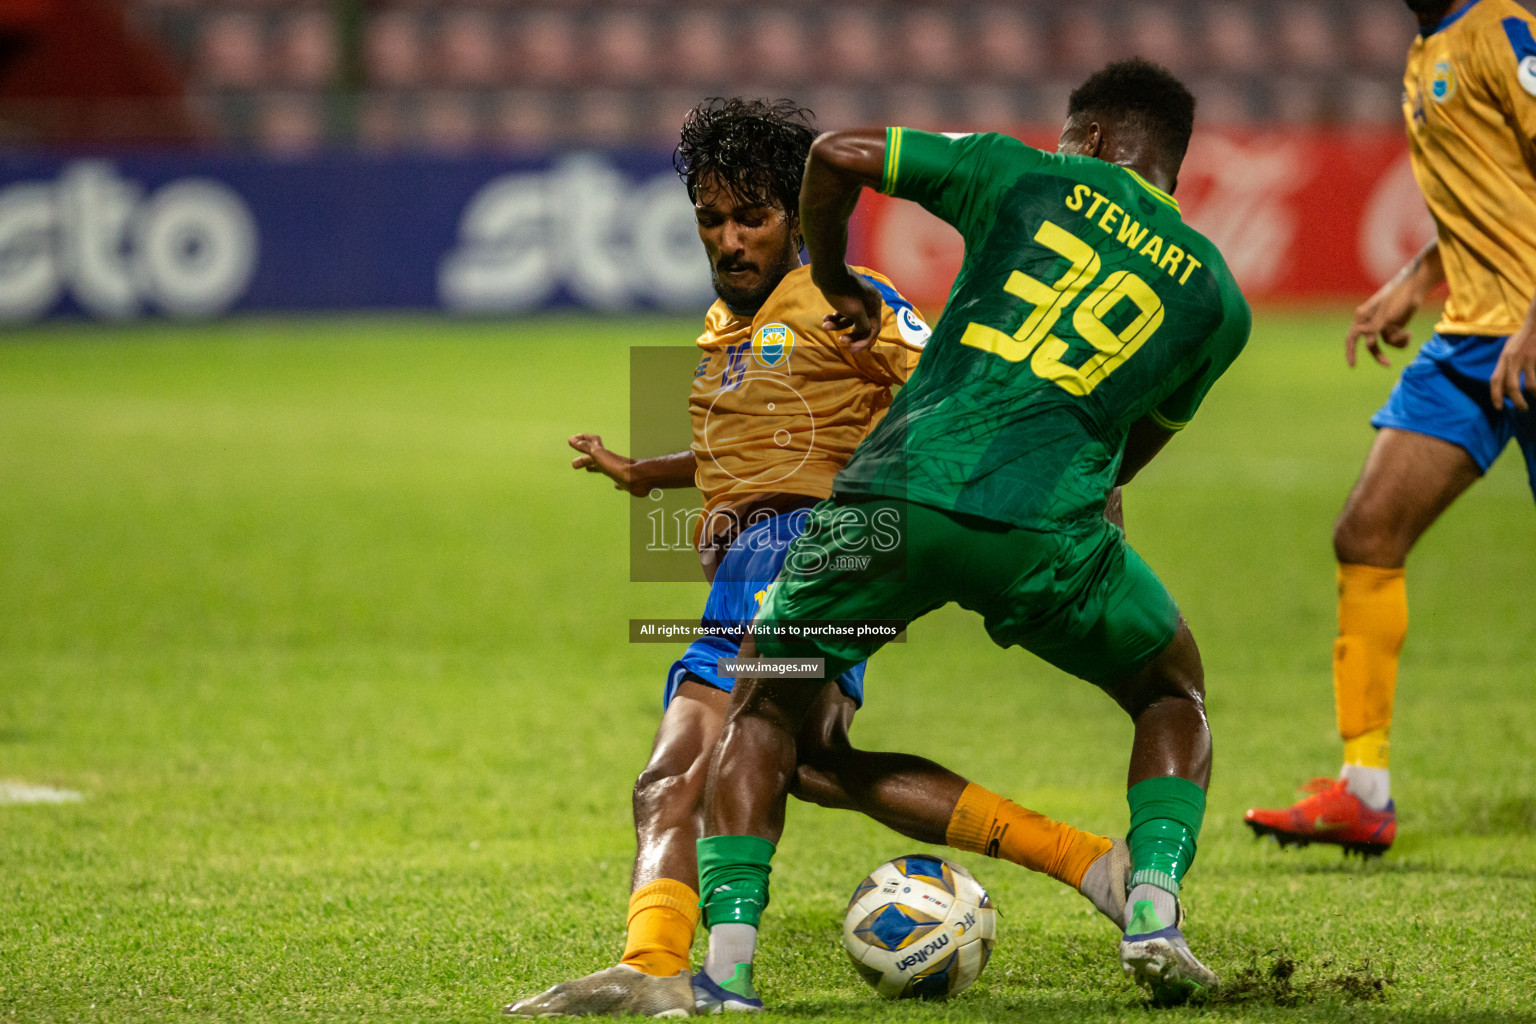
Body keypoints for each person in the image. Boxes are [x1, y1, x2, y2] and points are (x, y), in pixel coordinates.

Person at [505, 97, 1136, 1020]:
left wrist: (1083, 488)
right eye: (711, 220)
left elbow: (960, 391)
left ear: (798, 220)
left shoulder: (848, 302)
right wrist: (654, 475)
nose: (728, 240)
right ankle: (1084, 861)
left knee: (707, 764)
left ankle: (669, 968)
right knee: (789, 764)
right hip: (761, 567)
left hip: (809, 560)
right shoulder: (726, 326)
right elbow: (772, 434)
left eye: (751, 217)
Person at [691, 59, 1252, 1010]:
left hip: (893, 499)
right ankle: (1151, 903)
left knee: (767, 711)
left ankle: (726, 972)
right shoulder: (1217, 302)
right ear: (1171, 164)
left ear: (1096, 141)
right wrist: (1085, 501)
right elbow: (1132, 446)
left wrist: (833, 279)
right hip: (1043, 533)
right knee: (1171, 693)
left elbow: (836, 154)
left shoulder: (1023, 172)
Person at [1243, 0, 1536, 858]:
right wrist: (1417, 276)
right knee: (1367, 534)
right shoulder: (1428, 48)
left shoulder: (1504, 31)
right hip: (1473, 343)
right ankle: (1363, 792)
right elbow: (1498, 197)